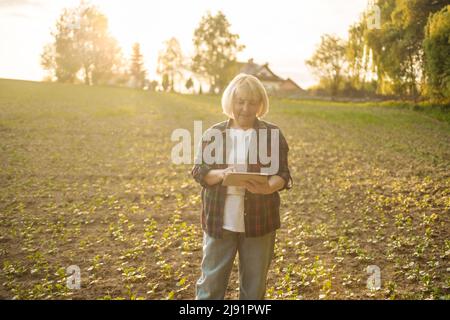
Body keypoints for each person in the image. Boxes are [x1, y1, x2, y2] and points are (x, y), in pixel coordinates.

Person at [191, 73, 293, 300]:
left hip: (259, 223)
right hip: (220, 222)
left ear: (260, 105)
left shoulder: (272, 135)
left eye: (252, 102)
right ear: (231, 102)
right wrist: (222, 174)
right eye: (240, 102)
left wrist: (268, 187)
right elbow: (200, 172)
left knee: (254, 290)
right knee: (210, 286)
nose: (246, 108)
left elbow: (283, 174)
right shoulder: (213, 134)